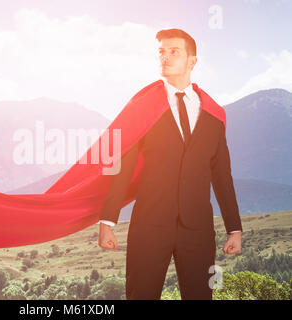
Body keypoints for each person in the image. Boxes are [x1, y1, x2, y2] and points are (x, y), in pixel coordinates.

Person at [97, 28, 243, 300]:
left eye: (174, 51)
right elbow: (122, 167)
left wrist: (234, 228)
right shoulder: (142, 109)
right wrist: (108, 220)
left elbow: (222, 176)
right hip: (149, 225)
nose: (165, 57)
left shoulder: (214, 115)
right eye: (161, 52)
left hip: (198, 229)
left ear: (192, 61)